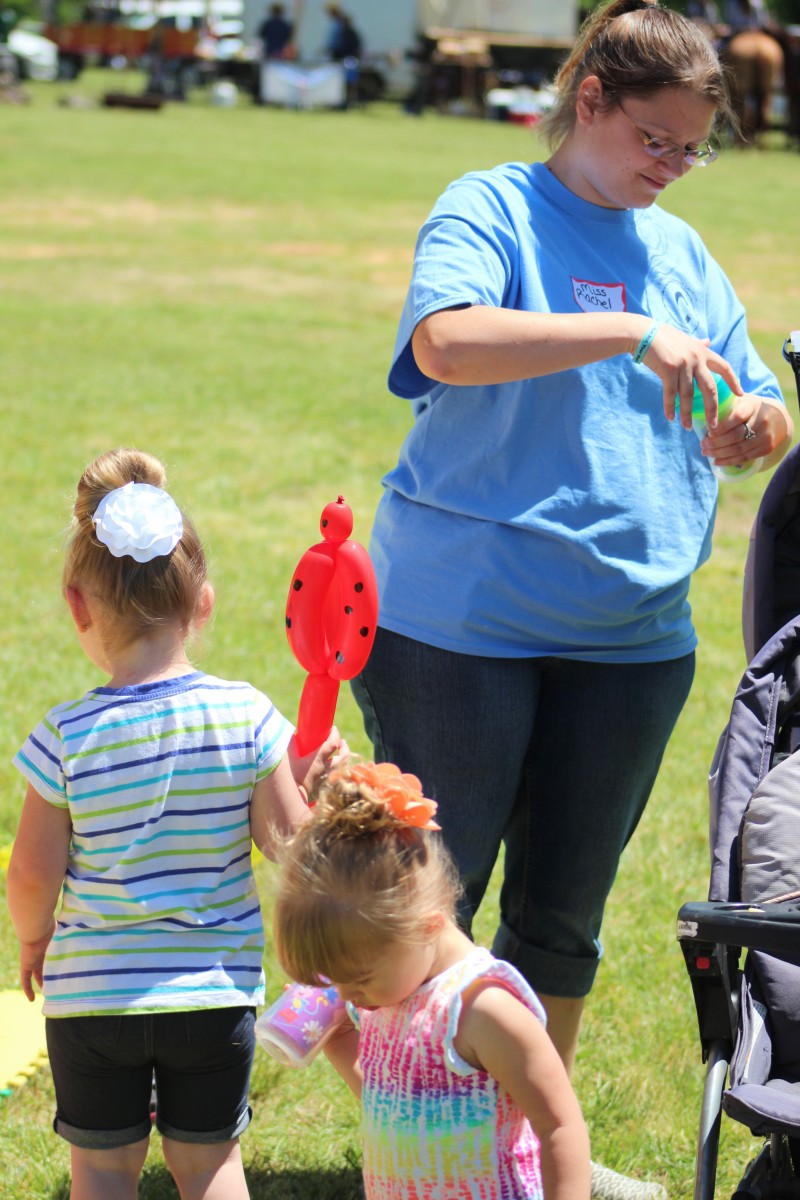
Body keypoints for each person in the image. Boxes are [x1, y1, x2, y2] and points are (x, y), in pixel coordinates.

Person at [349, 1, 793, 1195]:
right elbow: (444, 344)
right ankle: (413, 1147)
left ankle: (530, 1155)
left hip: (631, 642)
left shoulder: (679, 250)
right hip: (460, 627)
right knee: (422, 903)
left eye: (692, 150)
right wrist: (627, 332)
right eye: (654, 140)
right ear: (588, 99)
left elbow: (754, 401)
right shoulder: (489, 206)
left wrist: (752, 422)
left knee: (562, 918)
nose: (672, 166)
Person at [6, 448, 342, 1200]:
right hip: (212, 998)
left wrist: (33, 938)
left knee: (101, 1168)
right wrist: (313, 787)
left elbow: (30, 873)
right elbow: (291, 845)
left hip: (94, 1000)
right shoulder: (244, 714)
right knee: (210, 1164)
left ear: (78, 605)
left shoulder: (64, 736)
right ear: (204, 601)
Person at [273, 760, 592, 1200]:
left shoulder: (482, 1010)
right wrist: (339, 1040)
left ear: (427, 925)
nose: (346, 994)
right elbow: (397, 1105)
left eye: (359, 979)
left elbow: (559, 1125)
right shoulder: (389, 996)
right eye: (336, 980)